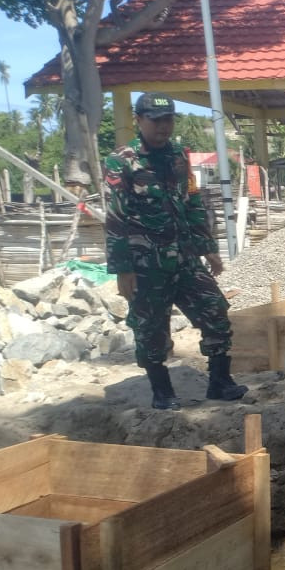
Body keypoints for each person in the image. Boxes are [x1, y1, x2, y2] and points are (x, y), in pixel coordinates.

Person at [104, 92, 247, 410]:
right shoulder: (121, 161)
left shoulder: (179, 157)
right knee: (150, 327)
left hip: (184, 258)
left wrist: (207, 247)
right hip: (145, 264)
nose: (163, 126)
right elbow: (115, 217)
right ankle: (162, 391)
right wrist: (122, 269)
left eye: (167, 119)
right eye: (155, 120)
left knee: (215, 310)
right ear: (139, 120)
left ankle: (220, 382)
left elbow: (193, 202)